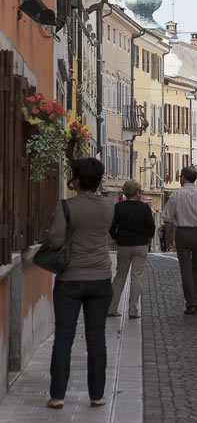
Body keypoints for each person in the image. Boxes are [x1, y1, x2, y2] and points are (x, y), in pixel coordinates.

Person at [45, 158, 115, 410]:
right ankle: (97, 395)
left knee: (64, 338)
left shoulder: (65, 206)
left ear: (76, 178)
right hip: (101, 277)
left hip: (70, 280)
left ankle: (58, 395)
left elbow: (55, 240)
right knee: (97, 338)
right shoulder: (109, 206)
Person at [161, 166, 197, 315]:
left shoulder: (176, 195)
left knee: (185, 269)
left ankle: (191, 302)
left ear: (183, 177)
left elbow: (168, 220)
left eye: (180, 176)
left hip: (182, 233)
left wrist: (167, 239)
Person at [108, 180, 155, 319]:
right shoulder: (144, 208)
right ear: (138, 193)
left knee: (119, 276)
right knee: (136, 277)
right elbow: (151, 228)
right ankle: (133, 310)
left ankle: (112, 308)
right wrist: (148, 238)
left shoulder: (118, 207)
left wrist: (116, 238)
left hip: (123, 244)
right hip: (140, 244)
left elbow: (111, 227)